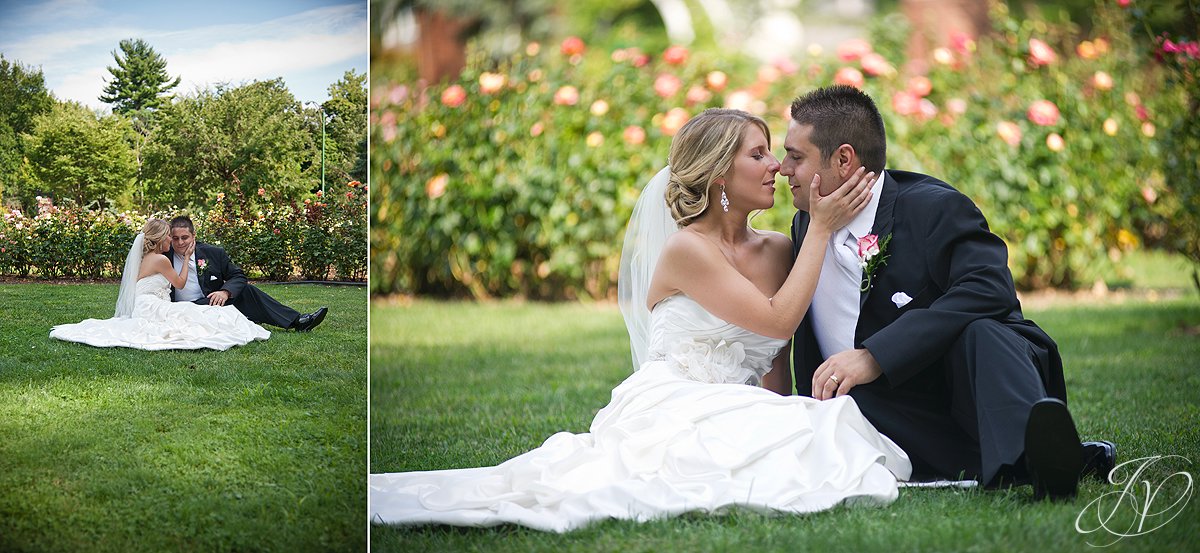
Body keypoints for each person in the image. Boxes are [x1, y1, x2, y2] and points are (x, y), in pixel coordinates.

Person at [371, 108, 910, 533]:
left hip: (739, 403)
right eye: (760, 154)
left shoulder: (776, 248)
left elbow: (777, 355)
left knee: (809, 431)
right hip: (675, 401)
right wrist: (819, 230)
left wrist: (786, 415)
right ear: (720, 171)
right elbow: (774, 322)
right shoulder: (687, 250)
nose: (776, 166)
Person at [782, 85, 1115, 499]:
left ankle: (1041, 460)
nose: (782, 168)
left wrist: (876, 356)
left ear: (844, 159)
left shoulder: (932, 208)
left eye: (795, 157)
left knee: (985, 331)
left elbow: (990, 288)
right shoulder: (806, 225)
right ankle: (1055, 457)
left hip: (969, 386)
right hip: (876, 407)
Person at [50, 219, 270, 350]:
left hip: (144, 306)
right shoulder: (160, 259)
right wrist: (186, 259)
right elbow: (180, 284)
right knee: (200, 318)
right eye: (169, 237)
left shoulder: (144, 258)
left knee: (196, 315)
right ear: (160, 239)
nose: (172, 242)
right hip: (153, 306)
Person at [167, 216, 327, 331]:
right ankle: (250, 316)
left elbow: (238, 276)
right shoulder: (164, 256)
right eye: (175, 238)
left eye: (184, 237)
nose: (180, 243)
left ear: (194, 236)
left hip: (209, 303)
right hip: (182, 310)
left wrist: (225, 292)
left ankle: (298, 321)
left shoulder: (213, 253)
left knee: (247, 290)